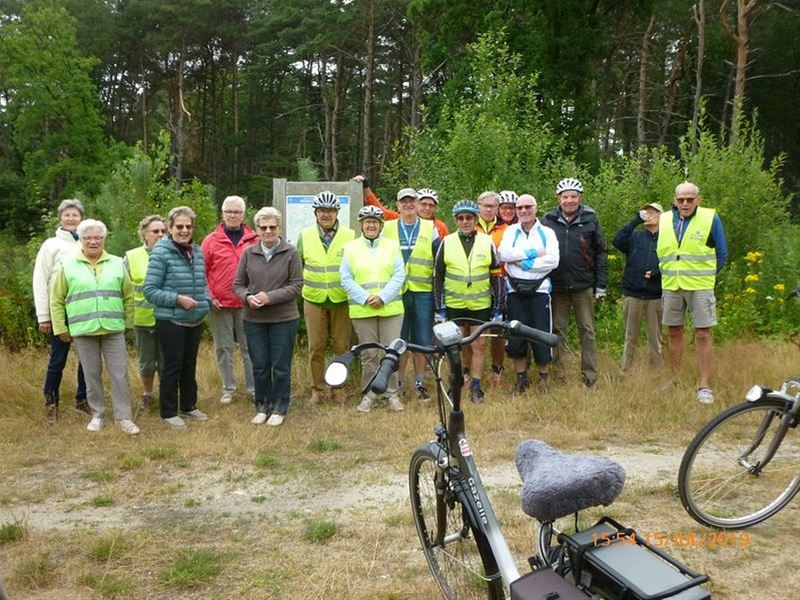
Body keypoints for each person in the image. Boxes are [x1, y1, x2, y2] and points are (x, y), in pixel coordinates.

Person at [49, 220, 139, 435]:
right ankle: (98, 415)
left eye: (98, 237)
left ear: (104, 239)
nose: (93, 241)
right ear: (80, 240)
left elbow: (128, 295)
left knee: (119, 374)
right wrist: (61, 328)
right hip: (83, 330)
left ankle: (124, 418)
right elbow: (57, 299)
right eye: (88, 237)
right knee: (91, 375)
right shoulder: (68, 265)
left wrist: (127, 323)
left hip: (113, 330)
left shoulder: (117, 263)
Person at [657, 182, 727, 404]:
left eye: (689, 199)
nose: (685, 203)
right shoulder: (666, 218)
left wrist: (705, 276)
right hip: (671, 284)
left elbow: (722, 253)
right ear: (675, 200)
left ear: (698, 199)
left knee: (703, 334)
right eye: (681, 200)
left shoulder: (710, 218)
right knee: (674, 332)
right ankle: (675, 380)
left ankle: (704, 386)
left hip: (700, 286)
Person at [143, 206, 211, 429]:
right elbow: (150, 290)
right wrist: (177, 299)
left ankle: (189, 406)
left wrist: (207, 300)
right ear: (170, 228)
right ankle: (169, 412)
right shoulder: (161, 253)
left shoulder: (198, 251)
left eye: (188, 226)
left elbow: (202, 283)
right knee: (172, 365)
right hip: (170, 319)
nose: (184, 230)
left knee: (189, 364)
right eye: (179, 226)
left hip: (195, 319)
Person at [234, 207, 302, 426]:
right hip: (254, 320)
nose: (268, 231)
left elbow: (296, 286)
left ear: (279, 228)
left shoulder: (291, 252)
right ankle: (262, 406)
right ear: (257, 230)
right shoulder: (248, 253)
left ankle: (280, 407)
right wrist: (247, 297)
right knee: (260, 365)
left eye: (272, 227)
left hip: (284, 319)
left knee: (281, 366)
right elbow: (238, 284)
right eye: (263, 228)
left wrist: (269, 297)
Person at [434, 200, 504, 404]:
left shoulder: (486, 241)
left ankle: (475, 386)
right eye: (461, 218)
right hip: (454, 303)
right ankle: (457, 380)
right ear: (456, 220)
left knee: (479, 344)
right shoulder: (446, 242)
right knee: (455, 345)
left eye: (469, 218)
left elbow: (496, 275)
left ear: (475, 220)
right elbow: (437, 277)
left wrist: (498, 306)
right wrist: (439, 308)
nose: (465, 222)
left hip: (479, 304)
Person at [542, 178, 608, 388]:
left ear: (580, 198)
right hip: (557, 285)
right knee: (557, 332)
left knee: (587, 330)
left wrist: (601, 285)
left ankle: (590, 378)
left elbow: (601, 252)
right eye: (565, 197)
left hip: (583, 284)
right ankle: (559, 377)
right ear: (558, 199)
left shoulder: (590, 218)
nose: (569, 200)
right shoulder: (548, 219)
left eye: (573, 196)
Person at [340, 205, 406, 413]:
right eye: (367, 222)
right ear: (361, 225)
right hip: (363, 308)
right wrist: (366, 297)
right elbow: (346, 278)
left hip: (390, 308)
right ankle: (369, 393)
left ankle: (392, 394)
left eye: (375, 222)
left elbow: (399, 275)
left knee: (391, 352)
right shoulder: (350, 248)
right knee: (369, 353)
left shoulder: (392, 246)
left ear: (381, 225)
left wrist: (383, 297)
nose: (371, 225)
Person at [297, 190, 355, 405]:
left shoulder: (350, 236)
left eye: (330, 210)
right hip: (314, 298)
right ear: (316, 213)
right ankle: (318, 389)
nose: (326, 215)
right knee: (316, 347)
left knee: (341, 347)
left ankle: (339, 388)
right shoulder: (305, 235)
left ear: (337, 212)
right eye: (322, 210)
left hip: (341, 299)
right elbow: (297, 266)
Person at [32, 198, 89, 422]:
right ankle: (51, 401)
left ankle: (83, 399)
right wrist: (44, 316)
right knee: (58, 359)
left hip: (83, 309)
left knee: (87, 358)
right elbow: (40, 280)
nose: (71, 218)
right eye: (67, 215)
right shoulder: (51, 245)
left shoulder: (87, 242)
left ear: (81, 218)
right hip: (60, 311)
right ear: (60, 218)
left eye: (75, 215)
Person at [498, 194, 560, 394]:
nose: (523, 211)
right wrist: (534, 254)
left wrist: (522, 263)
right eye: (520, 207)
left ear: (536, 208)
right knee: (516, 335)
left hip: (539, 291)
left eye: (528, 207)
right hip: (515, 291)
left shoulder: (547, 233)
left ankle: (543, 381)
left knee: (541, 335)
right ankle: (521, 380)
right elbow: (503, 254)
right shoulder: (510, 231)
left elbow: (552, 261)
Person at [382, 188, 440, 400]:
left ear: (417, 204)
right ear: (397, 205)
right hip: (395, 292)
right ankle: (397, 382)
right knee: (398, 339)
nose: (408, 205)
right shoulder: (386, 227)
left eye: (411, 201)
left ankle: (419, 382)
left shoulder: (430, 227)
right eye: (403, 201)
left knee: (422, 339)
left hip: (422, 291)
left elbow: (439, 261)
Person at [201, 195, 258, 405]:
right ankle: (228, 388)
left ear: (243, 215)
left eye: (237, 212)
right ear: (222, 214)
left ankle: (253, 388)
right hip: (219, 305)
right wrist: (209, 296)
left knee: (249, 347)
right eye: (229, 212)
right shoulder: (210, 240)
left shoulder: (254, 239)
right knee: (223, 348)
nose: (232, 215)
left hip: (247, 304)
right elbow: (201, 270)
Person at [613, 202, 664, 373]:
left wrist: (659, 273)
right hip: (633, 293)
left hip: (656, 296)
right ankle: (626, 372)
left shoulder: (667, 238)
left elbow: (674, 263)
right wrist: (635, 220)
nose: (648, 214)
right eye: (646, 212)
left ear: (661, 216)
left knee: (655, 338)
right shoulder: (635, 236)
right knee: (630, 337)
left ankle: (656, 374)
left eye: (653, 212)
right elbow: (617, 241)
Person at [123, 215, 166, 412]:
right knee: (147, 363)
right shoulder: (131, 257)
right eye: (155, 231)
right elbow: (123, 289)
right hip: (142, 320)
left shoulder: (174, 254)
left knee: (168, 361)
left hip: (169, 319)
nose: (160, 235)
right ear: (144, 234)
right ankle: (148, 395)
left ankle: (168, 396)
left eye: (163, 231)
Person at [476, 191, 509, 386]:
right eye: (485, 205)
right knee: (471, 330)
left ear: (498, 208)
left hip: (499, 284)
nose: (489, 209)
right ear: (478, 206)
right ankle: (467, 371)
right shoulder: (471, 225)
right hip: (475, 285)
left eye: (492, 206)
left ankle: (497, 371)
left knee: (498, 330)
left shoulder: (507, 229)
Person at [354, 175, 449, 238]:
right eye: (424, 204)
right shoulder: (398, 219)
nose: (427, 208)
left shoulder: (440, 227)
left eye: (431, 205)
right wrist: (365, 186)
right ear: (417, 204)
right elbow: (379, 209)